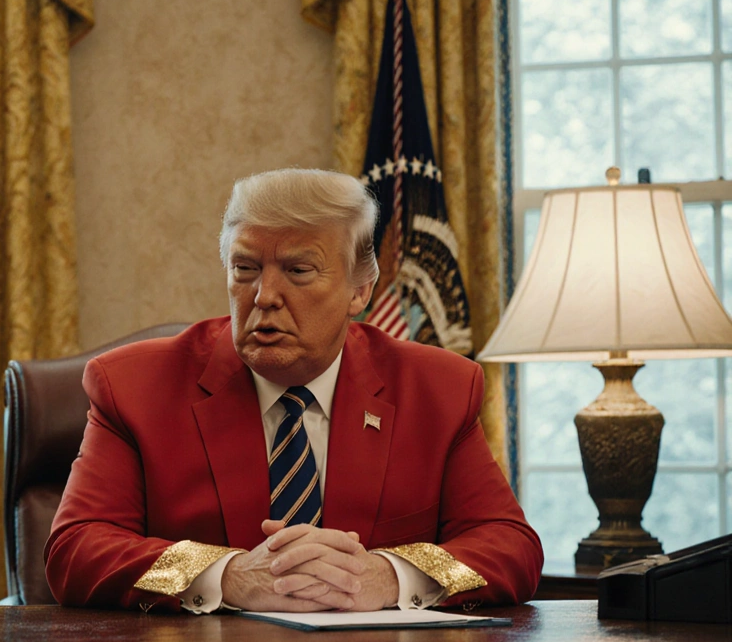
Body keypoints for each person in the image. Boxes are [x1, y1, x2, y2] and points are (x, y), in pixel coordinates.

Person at [45, 168, 542, 614]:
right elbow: (76, 549)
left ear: (360, 290)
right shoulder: (133, 388)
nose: (264, 296)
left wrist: (391, 576)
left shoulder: (437, 390)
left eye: (298, 271)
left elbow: (510, 545)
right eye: (245, 269)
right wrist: (226, 576)